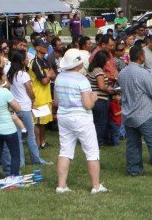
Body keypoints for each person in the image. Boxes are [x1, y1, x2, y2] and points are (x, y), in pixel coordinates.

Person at [54, 48, 107, 194]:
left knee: (65, 151)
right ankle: (96, 186)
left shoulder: (59, 78)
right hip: (82, 118)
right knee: (92, 152)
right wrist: (93, 98)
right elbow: (88, 105)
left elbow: (56, 102)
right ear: (79, 64)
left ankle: (61, 186)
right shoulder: (82, 80)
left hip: (64, 117)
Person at [118, 45, 152, 178]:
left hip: (129, 113)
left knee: (132, 144)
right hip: (145, 114)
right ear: (141, 56)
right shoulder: (143, 73)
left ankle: (134, 170)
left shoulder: (122, 73)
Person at [8, 50, 49, 166]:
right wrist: (33, 99)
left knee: (18, 137)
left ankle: (20, 162)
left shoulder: (10, 74)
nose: (27, 60)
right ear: (22, 61)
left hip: (14, 107)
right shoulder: (23, 74)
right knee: (31, 136)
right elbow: (29, 90)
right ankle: (36, 159)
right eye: (26, 58)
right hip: (25, 108)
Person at [28, 40, 55, 149]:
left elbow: (53, 75)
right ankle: (37, 144)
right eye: (44, 46)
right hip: (38, 97)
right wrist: (48, 76)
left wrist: (48, 76)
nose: (46, 47)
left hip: (45, 97)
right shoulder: (35, 62)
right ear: (37, 48)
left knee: (43, 123)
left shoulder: (45, 60)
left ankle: (42, 143)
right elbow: (44, 81)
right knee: (38, 123)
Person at [87, 51, 117, 147]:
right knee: (101, 123)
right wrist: (110, 91)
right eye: (106, 60)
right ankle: (99, 142)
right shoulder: (98, 71)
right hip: (100, 100)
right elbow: (101, 86)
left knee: (95, 122)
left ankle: (94, 141)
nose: (108, 62)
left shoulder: (91, 69)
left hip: (93, 98)